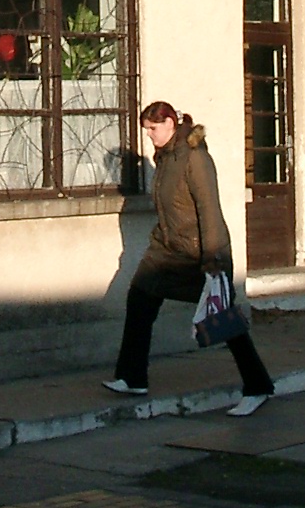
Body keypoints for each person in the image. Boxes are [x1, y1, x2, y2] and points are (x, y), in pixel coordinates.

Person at [106, 99, 275, 416]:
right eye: (147, 129)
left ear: (170, 124)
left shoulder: (195, 157)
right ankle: (131, 377)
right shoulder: (165, 157)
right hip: (166, 250)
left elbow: (209, 210)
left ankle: (258, 387)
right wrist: (160, 240)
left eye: (153, 128)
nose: (149, 135)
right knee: (140, 298)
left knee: (223, 319)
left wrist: (213, 260)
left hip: (200, 254)